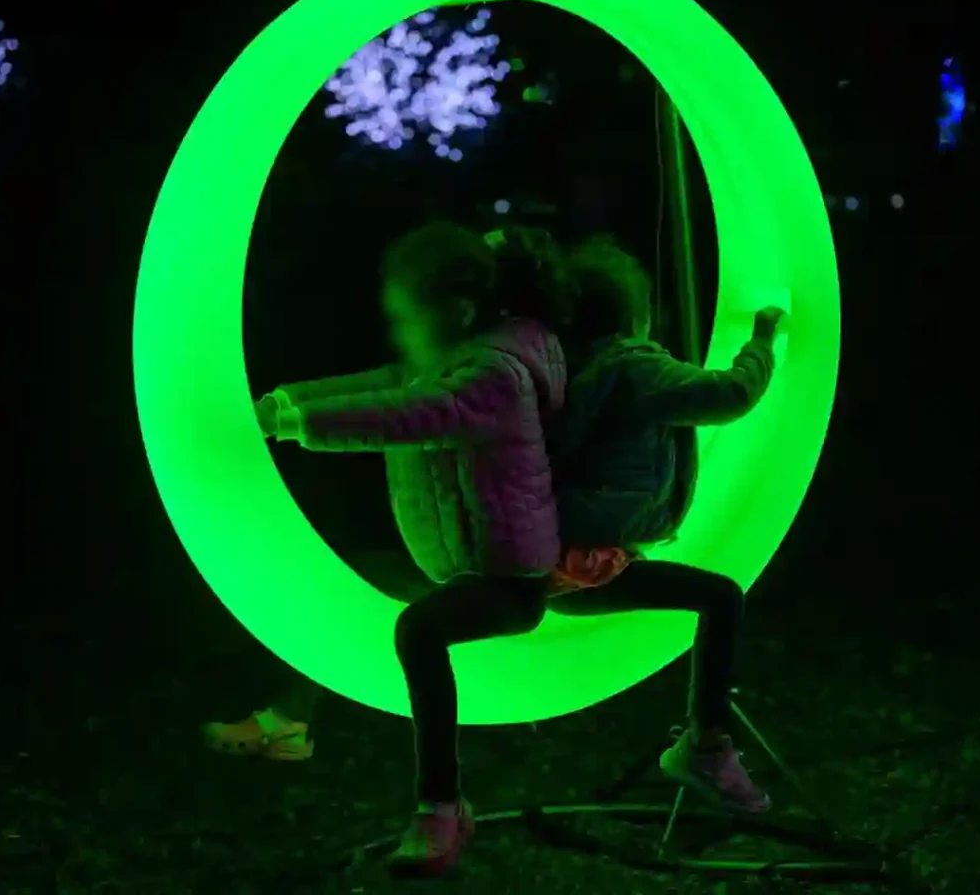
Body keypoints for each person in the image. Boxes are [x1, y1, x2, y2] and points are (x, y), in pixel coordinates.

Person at [205, 222, 571, 877]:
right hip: (450, 564)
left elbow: (404, 415)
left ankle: (441, 806)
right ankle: (289, 724)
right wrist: (286, 400)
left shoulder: (492, 378)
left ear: (456, 312)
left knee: (419, 632)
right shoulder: (444, 358)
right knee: (352, 587)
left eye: (405, 317)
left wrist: (297, 425)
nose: (397, 331)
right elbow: (381, 383)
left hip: (509, 580)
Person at [546, 235, 783, 814]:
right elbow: (727, 395)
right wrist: (761, 342)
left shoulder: (570, 368)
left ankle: (705, 741)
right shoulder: (636, 370)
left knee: (706, 594)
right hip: (589, 567)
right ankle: (705, 744)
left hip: (555, 555)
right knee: (722, 597)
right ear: (638, 313)